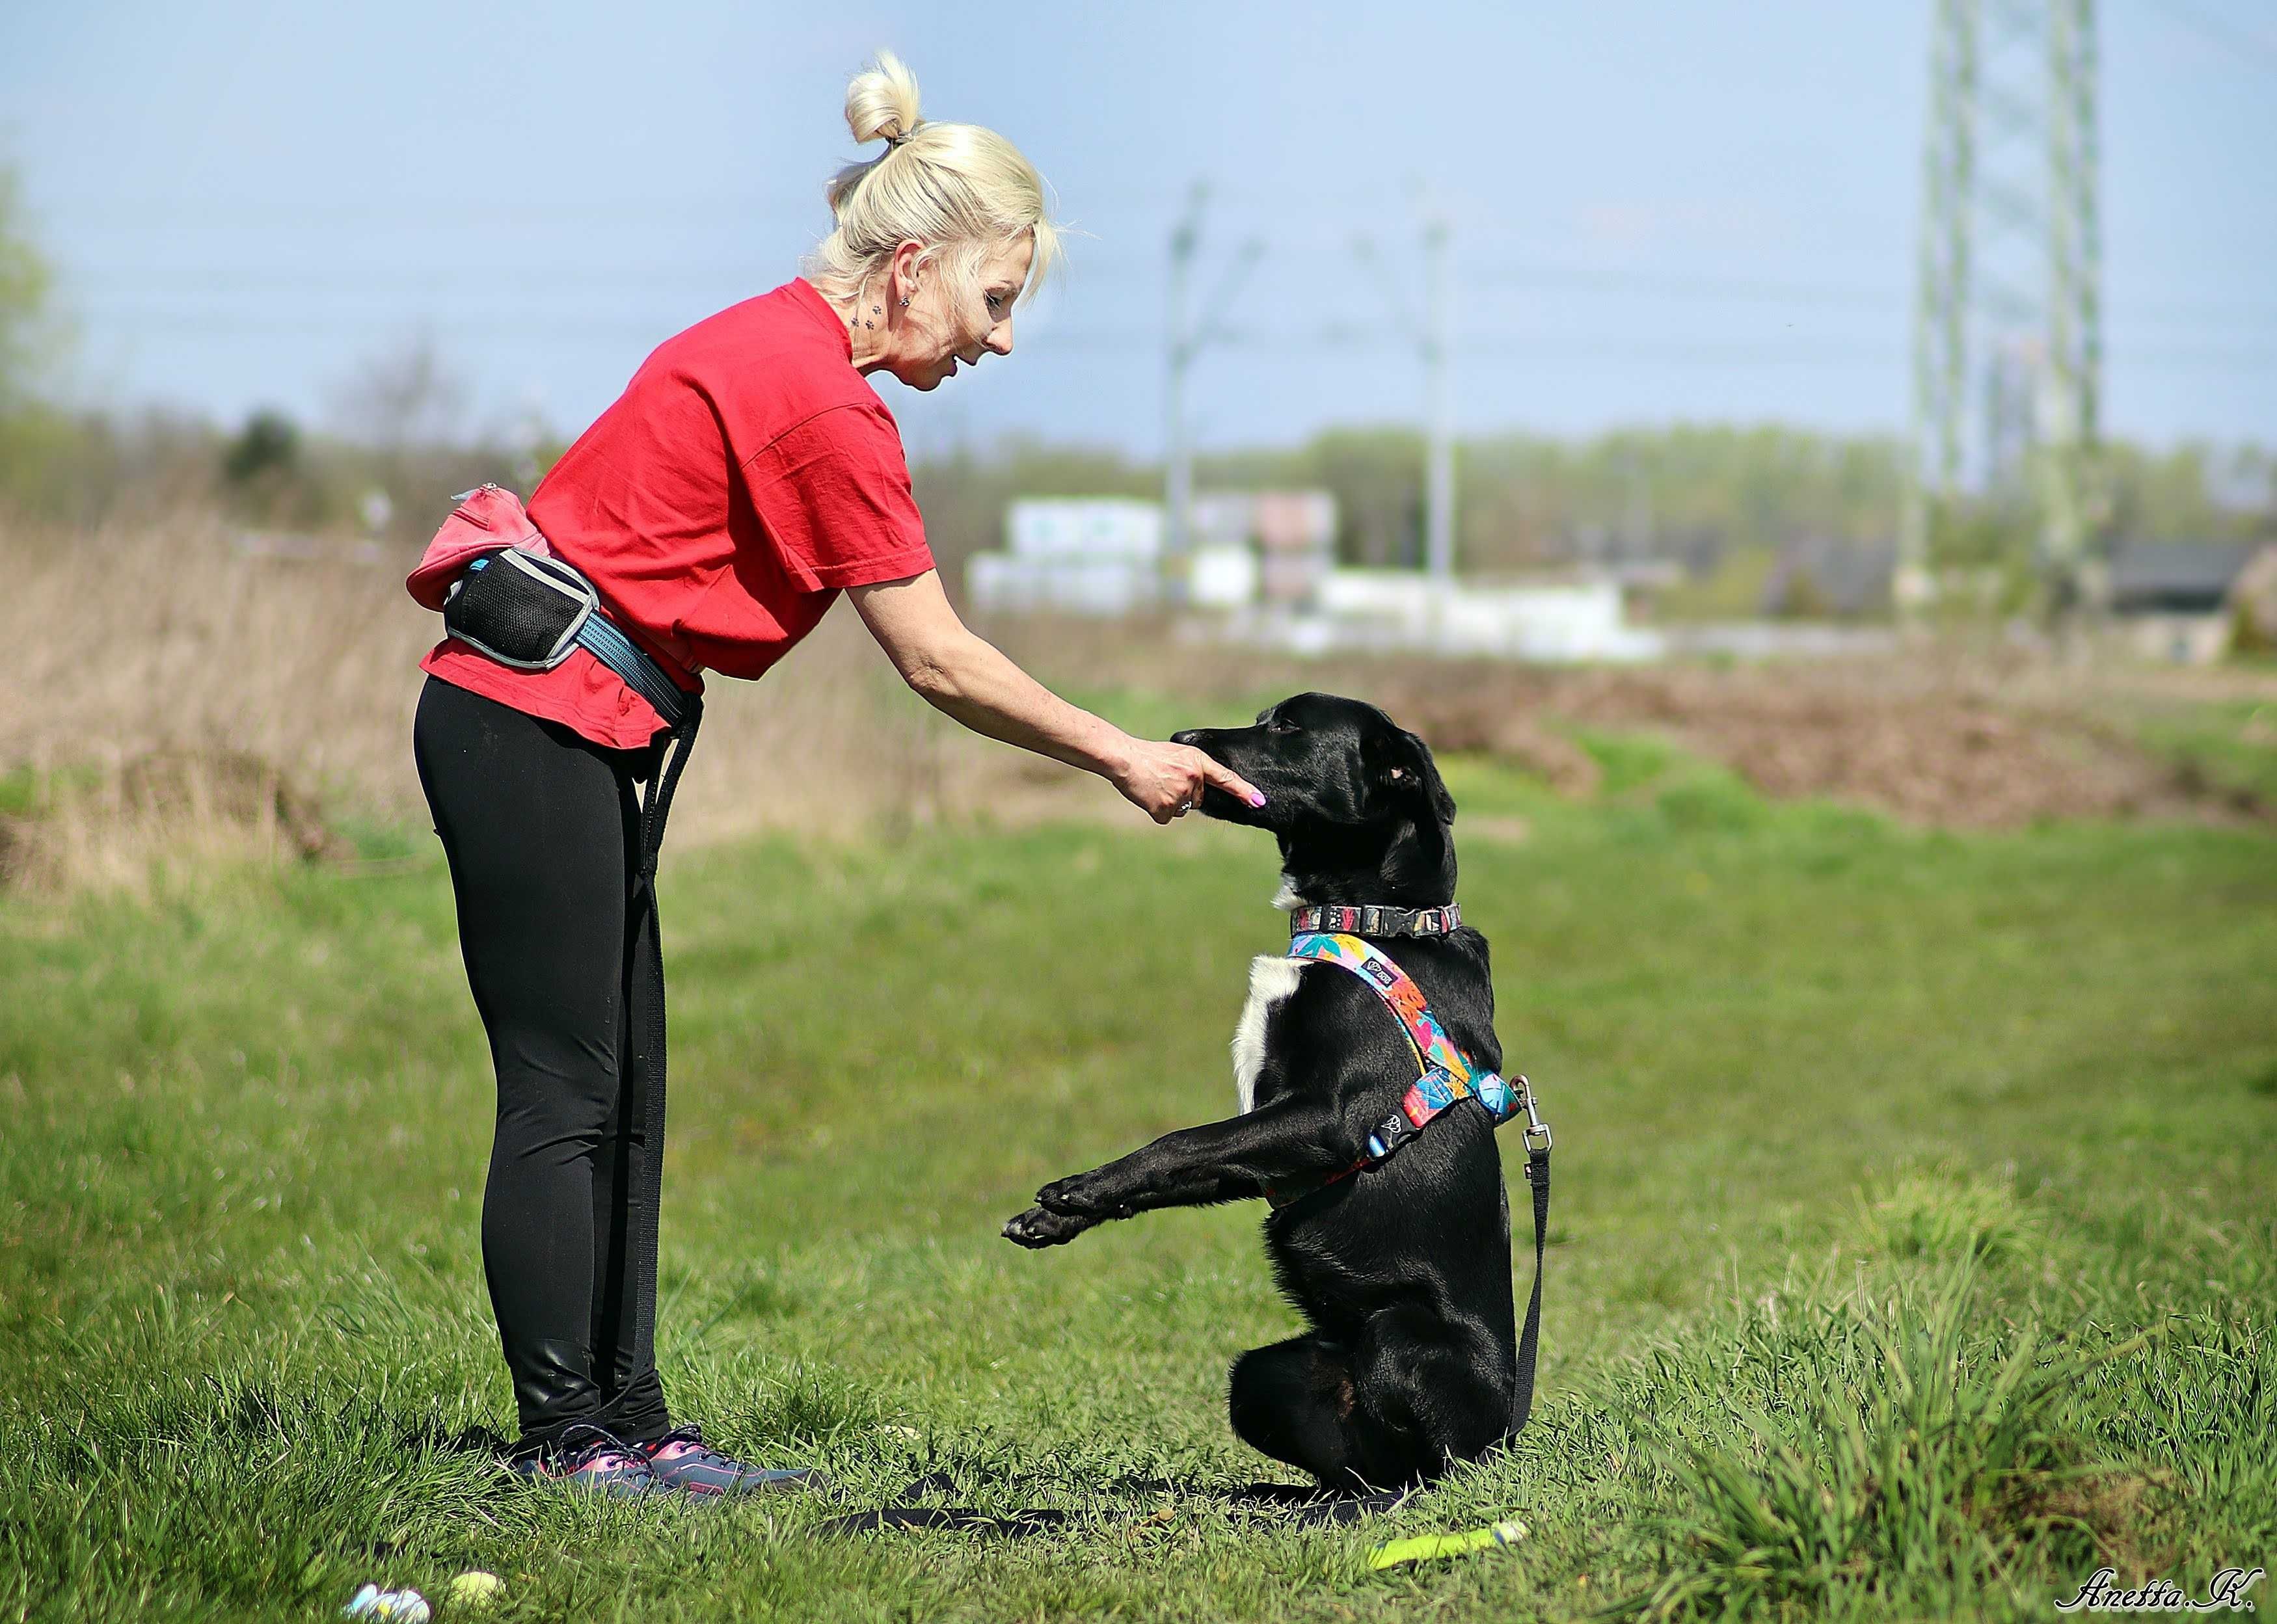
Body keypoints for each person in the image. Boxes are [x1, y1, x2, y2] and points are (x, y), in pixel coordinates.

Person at [409, 52, 1262, 1499]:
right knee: (567, 1093)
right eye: (996, 302)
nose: (998, 344)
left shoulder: (787, 356)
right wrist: (1121, 750)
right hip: (528, 721)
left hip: (577, 722)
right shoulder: (817, 399)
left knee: (629, 1092)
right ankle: (568, 1446)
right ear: (913, 265)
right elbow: (934, 658)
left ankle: (636, 1425)